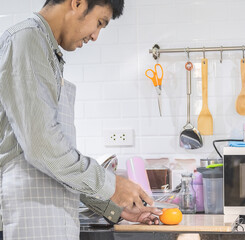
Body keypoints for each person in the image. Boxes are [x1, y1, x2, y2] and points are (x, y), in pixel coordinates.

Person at [0, 0, 162, 239]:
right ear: (77, 3)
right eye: (99, 23)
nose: (95, 36)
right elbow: (43, 148)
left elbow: (57, 164)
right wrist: (112, 186)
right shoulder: (26, 41)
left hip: (48, 220)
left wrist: (113, 206)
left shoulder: (48, 52)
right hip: (26, 219)